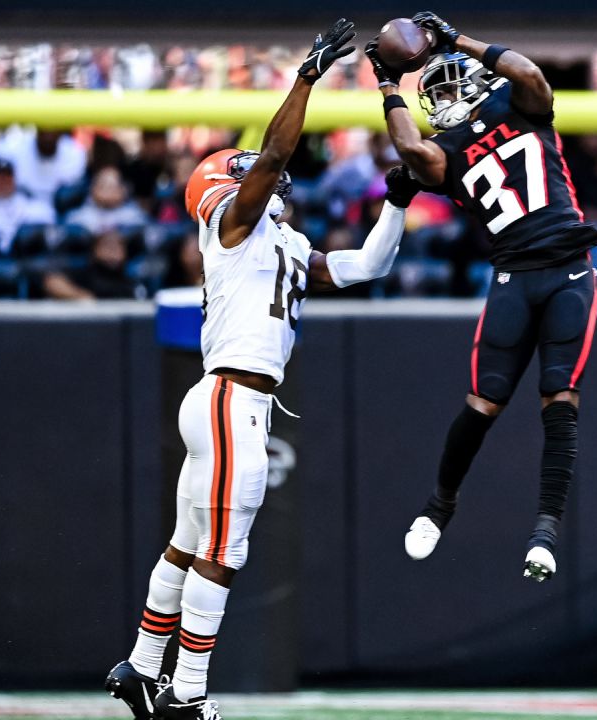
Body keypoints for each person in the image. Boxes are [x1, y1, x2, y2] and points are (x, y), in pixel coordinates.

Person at [103, 19, 419, 720]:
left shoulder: (278, 240)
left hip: (228, 397)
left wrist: (397, 203)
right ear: (227, 184)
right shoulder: (232, 226)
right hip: (231, 396)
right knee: (223, 549)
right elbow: (275, 157)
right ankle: (186, 695)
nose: (269, 175)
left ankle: (141, 666)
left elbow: (366, 267)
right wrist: (305, 79)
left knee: (191, 545)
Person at [366, 11, 597, 581]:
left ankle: (545, 531)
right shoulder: (444, 151)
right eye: (436, 88)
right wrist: (387, 84)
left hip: (567, 267)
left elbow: (529, 73)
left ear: (473, 78)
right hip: (513, 277)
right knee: (483, 401)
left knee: (559, 400)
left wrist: (460, 39)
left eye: (451, 80)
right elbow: (409, 149)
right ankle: (439, 506)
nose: (445, 94)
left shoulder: (517, 105)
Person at [0, 127, 88, 203]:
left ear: (60, 134)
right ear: (37, 132)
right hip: (20, 207)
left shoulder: (75, 153)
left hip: (61, 212)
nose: (48, 136)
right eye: (43, 132)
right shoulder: (14, 147)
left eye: (53, 131)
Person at [44, 229, 141, 300]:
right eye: (107, 246)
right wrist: (81, 296)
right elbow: (52, 282)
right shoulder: (85, 274)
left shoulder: (130, 282)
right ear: (94, 250)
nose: (112, 251)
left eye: (117, 246)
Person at [67, 166, 150, 233]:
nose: (108, 191)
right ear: (92, 189)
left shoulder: (135, 218)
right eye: (103, 185)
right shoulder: (77, 218)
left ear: (123, 190)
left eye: (113, 186)